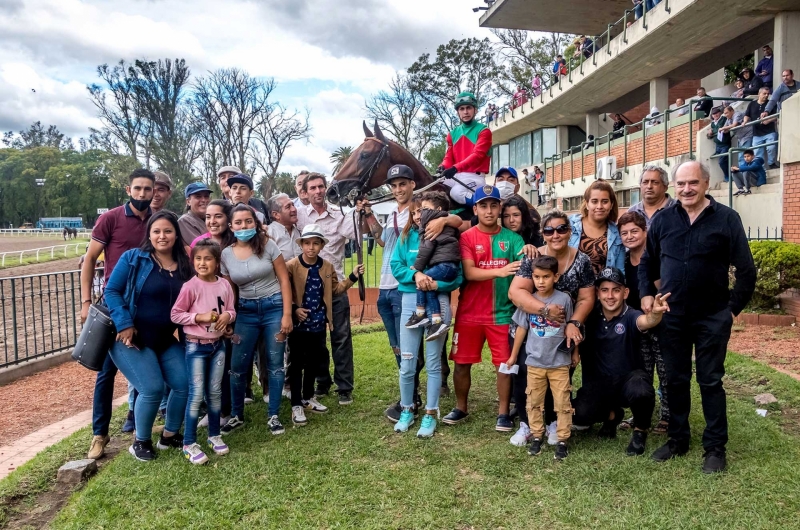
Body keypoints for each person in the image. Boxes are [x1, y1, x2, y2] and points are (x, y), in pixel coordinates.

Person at [639, 161, 756, 473]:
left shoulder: (727, 219)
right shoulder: (663, 220)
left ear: (706, 184)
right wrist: (647, 296)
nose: (686, 189)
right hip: (672, 317)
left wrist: (730, 310)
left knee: (710, 380)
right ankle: (678, 439)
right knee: (676, 380)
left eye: (693, 183)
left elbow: (746, 270)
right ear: (674, 187)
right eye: (681, 184)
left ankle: (715, 447)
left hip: (712, 317)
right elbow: (647, 263)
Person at [104, 210, 192, 461]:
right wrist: (124, 323)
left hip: (164, 340)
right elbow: (112, 291)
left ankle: (169, 435)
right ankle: (140, 441)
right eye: (156, 231)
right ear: (149, 234)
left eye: (168, 231)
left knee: (184, 383)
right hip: (131, 339)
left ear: (176, 234)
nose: (162, 236)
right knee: (151, 388)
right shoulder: (134, 258)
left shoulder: (185, 266)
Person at [81, 168, 154, 460]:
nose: (142, 194)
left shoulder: (157, 221)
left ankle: (140, 424)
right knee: (106, 373)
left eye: (148, 189)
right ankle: (99, 434)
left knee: (146, 364)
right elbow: (89, 259)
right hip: (114, 305)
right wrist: (86, 301)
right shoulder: (110, 218)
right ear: (128, 190)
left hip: (147, 306)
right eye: (138, 189)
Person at [508, 210, 595, 447]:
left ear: (570, 231)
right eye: (549, 230)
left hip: (563, 332)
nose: (555, 234)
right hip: (530, 330)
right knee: (527, 379)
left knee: (559, 379)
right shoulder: (533, 258)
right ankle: (528, 425)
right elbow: (516, 292)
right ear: (542, 234)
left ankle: (554, 423)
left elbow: (587, 297)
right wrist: (544, 311)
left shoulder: (582, 260)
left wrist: (573, 324)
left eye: (561, 229)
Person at [443, 185, 524, 432]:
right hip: (470, 313)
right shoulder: (466, 238)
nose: (489, 211)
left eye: (494, 205)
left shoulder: (513, 238)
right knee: (461, 363)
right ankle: (461, 407)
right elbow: (469, 272)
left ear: (500, 208)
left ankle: (502, 413)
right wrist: (500, 270)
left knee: (504, 364)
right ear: (475, 209)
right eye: (483, 206)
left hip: (503, 312)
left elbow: (524, 268)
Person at [296, 173, 380, 405]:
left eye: (321, 186)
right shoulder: (299, 215)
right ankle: (322, 382)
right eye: (312, 188)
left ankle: (344, 387)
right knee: (315, 340)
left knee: (341, 338)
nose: (318, 191)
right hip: (308, 291)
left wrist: (363, 212)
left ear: (326, 189)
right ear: (305, 192)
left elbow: (358, 233)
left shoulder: (340, 214)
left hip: (336, 287)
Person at [572, 267, 670, 456]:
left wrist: (656, 314)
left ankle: (640, 431)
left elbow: (646, 321)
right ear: (597, 293)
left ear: (625, 293)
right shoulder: (589, 317)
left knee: (641, 391)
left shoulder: (630, 315)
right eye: (604, 290)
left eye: (616, 290)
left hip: (628, 383)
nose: (610, 296)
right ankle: (612, 415)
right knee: (578, 414)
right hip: (599, 385)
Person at [391, 197, 463, 437]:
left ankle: (431, 414)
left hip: (437, 299)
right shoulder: (406, 237)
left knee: (433, 363)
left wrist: (433, 283)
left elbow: (457, 276)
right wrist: (416, 277)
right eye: (414, 212)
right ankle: (407, 410)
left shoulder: (447, 233)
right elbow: (396, 266)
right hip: (410, 300)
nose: (418, 216)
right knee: (407, 364)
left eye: (422, 211)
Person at [220, 204, 293, 436]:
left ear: (256, 223)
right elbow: (229, 289)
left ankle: (273, 415)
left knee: (274, 363)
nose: (244, 226)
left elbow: (284, 280)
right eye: (239, 223)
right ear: (231, 226)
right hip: (246, 312)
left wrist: (287, 315)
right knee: (237, 366)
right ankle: (237, 415)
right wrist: (230, 318)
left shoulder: (269, 246)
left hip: (274, 307)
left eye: (248, 221)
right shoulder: (225, 254)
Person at [285, 224, 363, 426]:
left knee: (314, 361)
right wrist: (294, 308)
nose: (311, 247)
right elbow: (283, 290)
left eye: (315, 243)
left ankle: (308, 397)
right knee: (296, 364)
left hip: (318, 322)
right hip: (299, 324)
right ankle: (296, 403)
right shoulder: (291, 265)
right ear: (301, 245)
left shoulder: (327, 267)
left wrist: (353, 277)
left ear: (321, 245)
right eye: (307, 243)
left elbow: (335, 290)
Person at [170, 239, 236, 465]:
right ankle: (189, 443)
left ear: (217, 262)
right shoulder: (190, 286)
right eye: (198, 258)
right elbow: (176, 314)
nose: (202, 262)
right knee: (196, 394)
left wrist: (228, 316)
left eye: (208, 258)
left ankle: (214, 435)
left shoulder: (224, 285)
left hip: (218, 346)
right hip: (196, 346)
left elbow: (230, 309)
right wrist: (199, 317)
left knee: (215, 392)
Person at [505, 255, 576, 461]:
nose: (541, 281)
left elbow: (571, 327)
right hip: (534, 361)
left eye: (546, 277)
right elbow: (521, 329)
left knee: (562, 402)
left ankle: (562, 439)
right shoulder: (529, 301)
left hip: (559, 362)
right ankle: (537, 435)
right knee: (533, 402)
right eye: (536, 277)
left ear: (556, 276)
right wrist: (513, 356)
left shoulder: (564, 299)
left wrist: (575, 352)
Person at [618, 211, 670, 435]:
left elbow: (667, 286)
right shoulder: (624, 261)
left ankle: (667, 416)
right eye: (624, 233)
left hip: (663, 322)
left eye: (634, 231)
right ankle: (641, 415)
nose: (629, 236)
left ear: (645, 231)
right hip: (638, 326)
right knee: (642, 371)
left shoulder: (659, 256)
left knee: (666, 371)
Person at [405, 191, 461, 341]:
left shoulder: (431, 225)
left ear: (436, 210)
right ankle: (436, 321)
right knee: (428, 285)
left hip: (444, 266)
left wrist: (417, 268)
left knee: (422, 282)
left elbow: (426, 249)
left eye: (423, 209)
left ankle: (420, 314)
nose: (420, 214)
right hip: (449, 266)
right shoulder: (444, 223)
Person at [439, 92, 492, 214]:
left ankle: (483, 208)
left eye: (468, 108)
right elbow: (448, 157)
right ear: (458, 112)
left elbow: (477, 156)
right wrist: (443, 166)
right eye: (462, 109)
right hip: (456, 174)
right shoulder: (452, 134)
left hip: (475, 177)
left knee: (456, 192)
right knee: (435, 188)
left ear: (475, 110)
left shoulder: (484, 131)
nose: (465, 112)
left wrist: (455, 168)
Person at [568, 180, 624, 275]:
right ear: (587, 204)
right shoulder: (569, 225)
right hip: (570, 288)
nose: (599, 206)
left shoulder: (617, 233)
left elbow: (619, 272)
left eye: (605, 201)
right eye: (594, 201)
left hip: (602, 288)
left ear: (611, 205)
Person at [628, 165, 675, 229]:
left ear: (665, 187)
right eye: (645, 182)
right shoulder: (632, 212)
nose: (649, 186)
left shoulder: (678, 208)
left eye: (655, 182)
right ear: (640, 186)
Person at [744, 87, 778, 169]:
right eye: (764, 93)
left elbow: (776, 116)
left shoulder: (771, 104)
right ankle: (761, 168)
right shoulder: (752, 104)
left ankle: (771, 163)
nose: (766, 95)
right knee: (757, 152)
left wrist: (768, 120)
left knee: (771, 148)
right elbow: (747, 115)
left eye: (768, 94)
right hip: (756, 133)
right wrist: (744, 121)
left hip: (769, 131)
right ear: (759, 94)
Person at [267, 193, 302, 261]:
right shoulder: (269, 233)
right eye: (288, 207)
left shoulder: (298, 230)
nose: (294, 209)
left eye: (293, 205)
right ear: (276, 215)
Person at [179, 182, 212, 246]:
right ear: (188, 201)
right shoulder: (185, 221)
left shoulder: (211, 219)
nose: (203, 200)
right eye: (198, 196)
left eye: (206, 196)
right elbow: (202, 248)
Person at [707, 107, 731, 182]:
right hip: (718, 146)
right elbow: (709, 136)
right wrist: (710, 133)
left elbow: (724, 128)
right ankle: (728, 176)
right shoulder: (712, 123)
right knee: (724, 161)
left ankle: (727, 176)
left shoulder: (724, 119)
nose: (715, 115)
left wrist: (714, 131)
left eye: (717, 113)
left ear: (720, 113)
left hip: (725, 144)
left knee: (722, 162)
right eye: (714, 114)